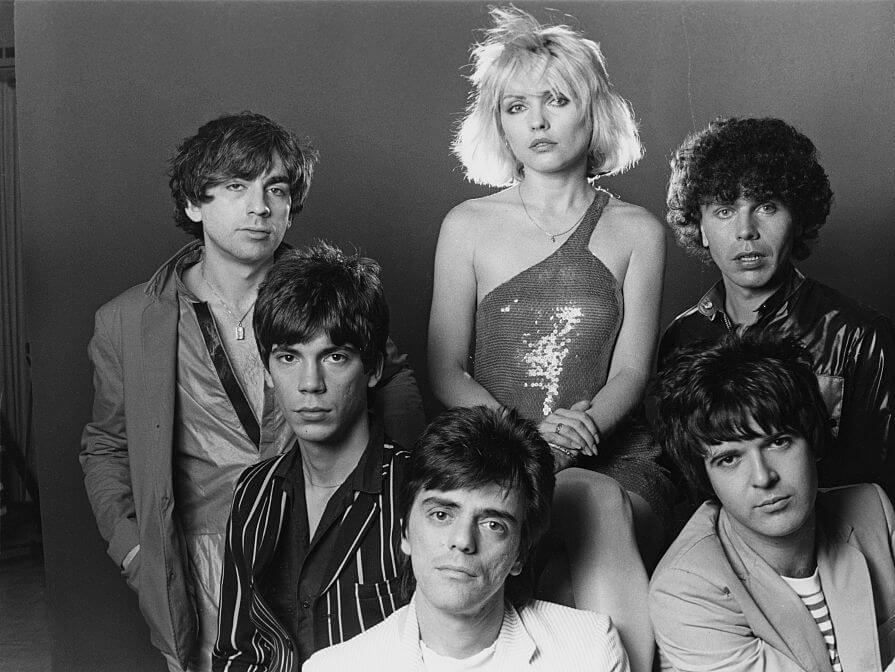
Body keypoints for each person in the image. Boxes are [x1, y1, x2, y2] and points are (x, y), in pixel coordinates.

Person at [79, 112, 424, 672]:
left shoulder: (330, 297)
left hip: (329, 553)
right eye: (237, 186)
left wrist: (404, 508)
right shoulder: (127, 321)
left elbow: (392, 385)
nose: (259, 207)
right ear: (193, 203)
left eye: (276, 189)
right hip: (199, 573)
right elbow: (106, 446)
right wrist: (135, 550)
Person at [427, 7, 672, 670]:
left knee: (588, 498)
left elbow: (632, 373)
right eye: (517, 107)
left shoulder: (638, 232)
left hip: (615, 462)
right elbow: (446, 370)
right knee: (559, 583)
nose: (537, 121)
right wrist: (529, 436)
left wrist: (576, 433)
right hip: (497, 452)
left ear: (593, 111)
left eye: (556, 101)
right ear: (499, 123)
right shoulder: (467, 225)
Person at [650, 333, 895, 671]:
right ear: (704, 475)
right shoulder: (686, 591)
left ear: (812, 439)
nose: (763, 477)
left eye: (779, 441)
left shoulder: (871, 513)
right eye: (730, 459)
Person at [659, 117, 895, 487]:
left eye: (767, 207)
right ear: (701, 227)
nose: (746, 230)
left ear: (798, 218)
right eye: (724, 210)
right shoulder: (682, 336)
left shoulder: (859, 336)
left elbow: (880, 484)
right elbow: (679, 477)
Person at [304, 406, 629, 671]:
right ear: (405, 532)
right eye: (441, 515)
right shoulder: (335, 667)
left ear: (520, 552)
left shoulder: (589, 649)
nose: (463, 541)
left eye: (492, 524)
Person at [214, 243, 408, 671]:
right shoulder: (254, 492)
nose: (309, 383)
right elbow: (234, 652)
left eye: (335, 357)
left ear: (374, 368)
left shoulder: (417, 493)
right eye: (288, 358)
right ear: (268, 371)